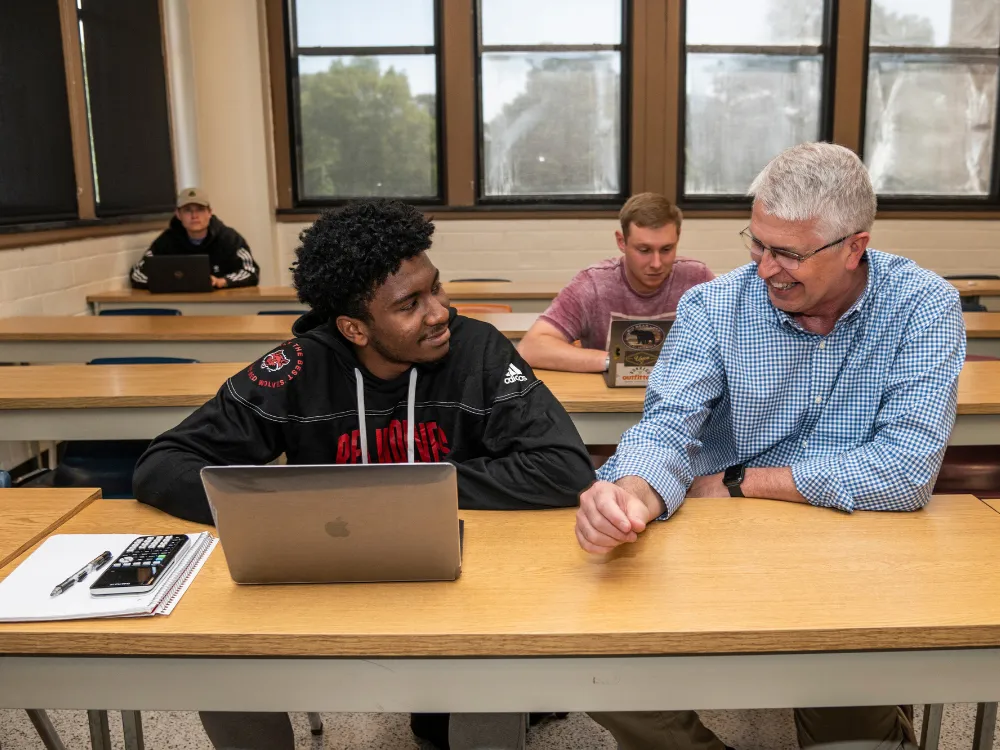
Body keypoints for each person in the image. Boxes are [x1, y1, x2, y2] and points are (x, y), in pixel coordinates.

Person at [133, 199, 595, 750]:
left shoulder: (478, 351)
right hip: (325, 571)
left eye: (436, 289)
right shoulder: (300, 367)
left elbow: (564, 468)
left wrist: (403, 493)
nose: (439, 312)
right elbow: (162, 464)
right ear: (353, 326)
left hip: (457, 575)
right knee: (216, 659)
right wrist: (281, 507)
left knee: (483, 678)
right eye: (410, 305)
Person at [575, 143, 965, 750]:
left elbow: (906, 470)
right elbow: (666, 425)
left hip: (854, 551)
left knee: (848, 713)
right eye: (756, 243)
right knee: (599, 664)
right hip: (722, 547)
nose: (765, 268)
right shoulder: (713, 305)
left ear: (854, 246)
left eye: (789, 253)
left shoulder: (923, 307)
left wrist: (738, 482)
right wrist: (631, 493)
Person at [517, 193, 714, 373]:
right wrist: (618, 362)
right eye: (644, 250)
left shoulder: (697, 279)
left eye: (666, 249)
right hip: (609, 402)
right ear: (621, 242)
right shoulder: (593, 284)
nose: (656, 264)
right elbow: (531, 347)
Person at [129, 187, 259, 289]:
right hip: (180, 308)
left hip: (222, 306)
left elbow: (250, 271)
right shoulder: (166, 241)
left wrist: (222, 282)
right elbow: (137, 273)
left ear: (210, 213)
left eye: (200, 210)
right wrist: (167, 283)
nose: (194, 215)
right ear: (178, 215)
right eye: (187, 210)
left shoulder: (229, 238)